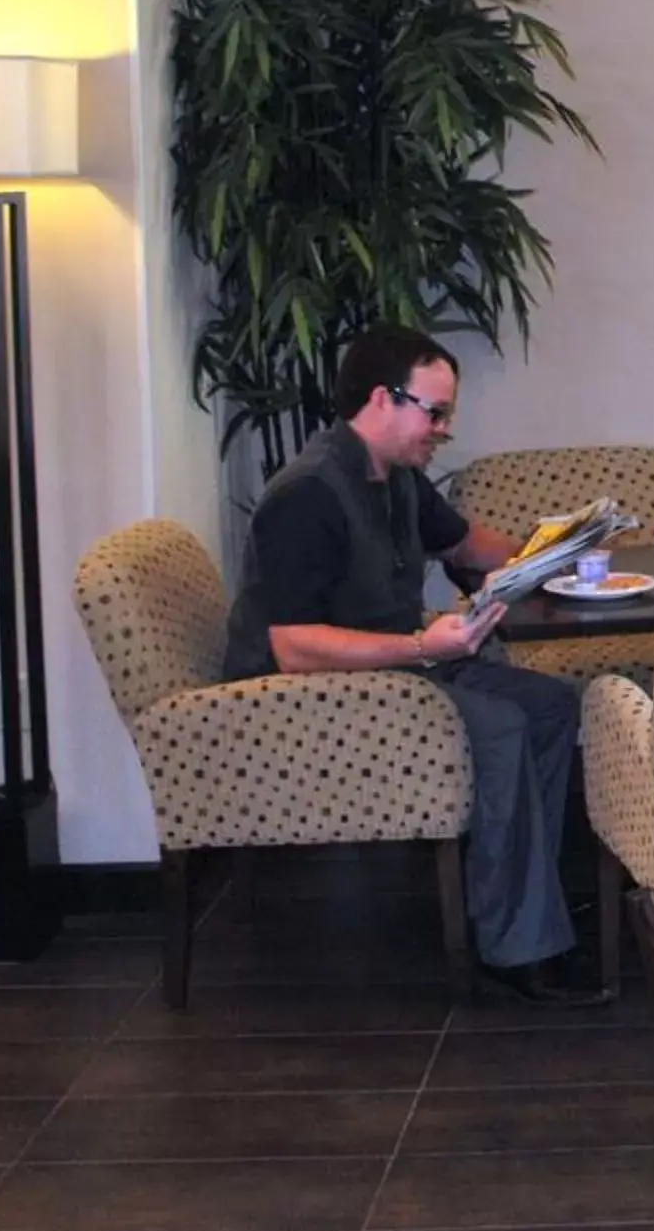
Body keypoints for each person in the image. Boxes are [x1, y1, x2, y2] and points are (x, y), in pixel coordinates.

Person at [220, 325, 604, 1006]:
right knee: (500, 727)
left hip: (394, 667)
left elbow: (464, 545)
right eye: (435, 412)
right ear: (380, 400)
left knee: (550, 706)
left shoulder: (394, 475)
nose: (443, 429)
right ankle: (519, 947)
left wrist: (557, 551)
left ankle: (522, 902)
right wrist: (429, 647)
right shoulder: (306, 494)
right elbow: (293, 647)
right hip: (315, 695)